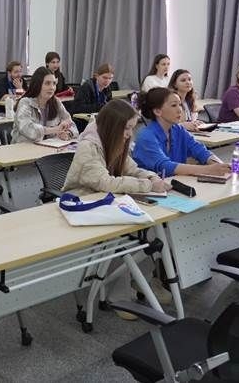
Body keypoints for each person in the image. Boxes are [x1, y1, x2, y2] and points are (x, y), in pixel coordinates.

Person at [62, 99, 172, 316]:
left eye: (132, 128)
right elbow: (106, 182)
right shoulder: (89, 146)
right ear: (113, 126)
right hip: (83, 204)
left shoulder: (116, 140)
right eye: (127, 128)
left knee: (153, 230)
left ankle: (141, 281)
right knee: (123, 235)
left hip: (107, 201)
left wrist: (151, 177)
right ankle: (118, 296)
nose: (129, 134)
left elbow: (132, 169)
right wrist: (148, 185)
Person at [133, 88, 231, 177]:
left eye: (180, 104)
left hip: (172, 184)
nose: (180, 110)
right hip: (151, 187)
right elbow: (165, 167)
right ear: (158, 111)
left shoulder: (178, 129)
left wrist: (220, 165)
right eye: (174, 105)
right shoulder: (146, 136)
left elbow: (200, 150)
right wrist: (208, 170)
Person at [11, 67, 78, 144]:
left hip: (48, 148)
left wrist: (68, 133)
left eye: (54, 83)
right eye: (47, 83)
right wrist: (55, 129)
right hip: (23, 148)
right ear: (38, 85)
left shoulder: (56, 102)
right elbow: (28, 129)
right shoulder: (25, 102)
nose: (52, 87)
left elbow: (72, 125)